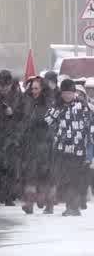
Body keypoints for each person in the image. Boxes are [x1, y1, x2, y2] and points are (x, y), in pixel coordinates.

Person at [45, 79, 94, 216]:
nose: (67, 96)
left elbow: (91, 125)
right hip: (62, 148)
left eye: (69, 93)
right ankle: (70, 206)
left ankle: (74, 206)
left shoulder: (83, 106)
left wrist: (89, 145)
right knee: (65, 178)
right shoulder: (58, 105)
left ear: (74, 93)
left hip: (79, 149)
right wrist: (56, 107)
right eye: (64, 93)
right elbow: (47, 120)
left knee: (75, 178)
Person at [20, 77, 55, 214]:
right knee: (30, 174)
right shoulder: (28, 101)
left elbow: (47, 121)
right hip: (31, 142)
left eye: (36, 88)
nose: (33, 91)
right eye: (32, 88)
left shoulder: (48, 102)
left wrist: (35, 122)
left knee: (45, 175)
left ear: (42, 89)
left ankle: (48, 202)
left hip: (45, 143)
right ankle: (29, 203)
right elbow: (24, 118)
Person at [0, 70, 24, 206]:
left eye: (7, 86)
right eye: (1, 86)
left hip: (12, 136)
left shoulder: (17, 95)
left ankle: (9, 196)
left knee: (11, 168)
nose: (4, 89)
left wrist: (13, 113)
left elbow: (23, 115)